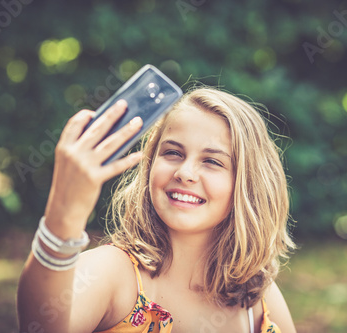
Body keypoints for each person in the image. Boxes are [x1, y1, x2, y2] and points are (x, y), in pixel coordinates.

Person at [17, 86, 297, 332]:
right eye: (173, 153)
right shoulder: (113, 272)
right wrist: (64, 215)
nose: (185, 172)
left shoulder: (257, 298)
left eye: (212, 161)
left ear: (248, 184)